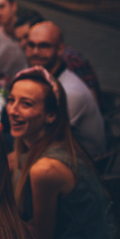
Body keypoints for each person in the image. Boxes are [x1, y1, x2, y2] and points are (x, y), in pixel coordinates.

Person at [7, 67, 116, 239]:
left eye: (26, 104)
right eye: (11, 100)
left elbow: (42, 235)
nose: (12, 110)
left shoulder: (45, 169)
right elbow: (8, 163)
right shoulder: (35, 143)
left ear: (51, 115)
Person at [25, 21, 105, 158]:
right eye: (31, 45)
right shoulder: (48, 75)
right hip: (56, 145)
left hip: (84, 161)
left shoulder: (69, 91)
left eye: (44, 46)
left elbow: (43, 142)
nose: (35, 52)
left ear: (60, 49)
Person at [15, 13, 102, 103]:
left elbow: (90, 99)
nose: (23, 44)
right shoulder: (36, 59)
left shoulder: (70, 60)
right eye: (19, 40)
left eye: (44, 45)